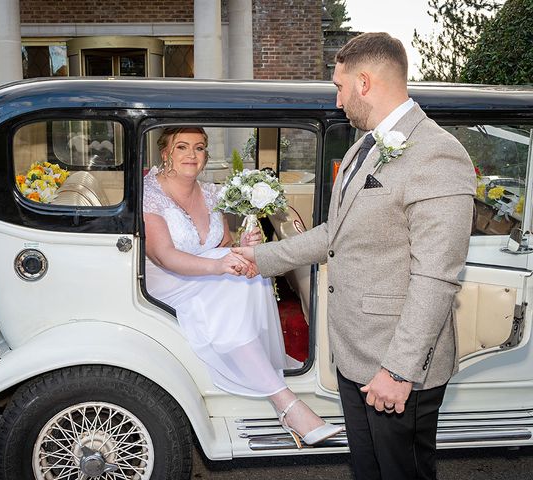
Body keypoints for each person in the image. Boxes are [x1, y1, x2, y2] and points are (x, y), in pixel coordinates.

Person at [234, 33, 476, 479]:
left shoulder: (437, 154)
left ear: (364, 82)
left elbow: (436, 278)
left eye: (339, 87)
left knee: (402, 472)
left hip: (396, 362)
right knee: (367, 469)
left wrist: (399, 371)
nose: (338, 100)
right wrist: (261, 258)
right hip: (354, 352)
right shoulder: (361, 148)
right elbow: (336, 233)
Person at [143, 127, 343, 447]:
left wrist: (243, 245)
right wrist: (220, 265)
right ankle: (287, 405)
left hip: (204, 272)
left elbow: (222, 242)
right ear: (165, 153)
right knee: (234, 280)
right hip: (170, 281)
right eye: (182, 147)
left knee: (250, 270)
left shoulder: (208, 191)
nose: (192, 155)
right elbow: (165, 256)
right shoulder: (150, 193)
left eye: (199, 147)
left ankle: (254, 360)